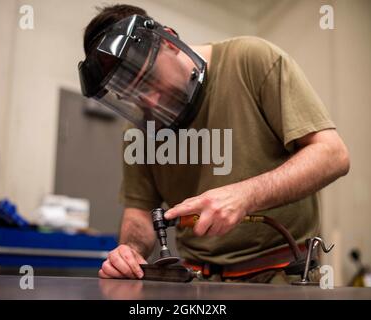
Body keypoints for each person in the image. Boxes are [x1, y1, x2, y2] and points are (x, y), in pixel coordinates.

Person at [78, 4, 350, 283]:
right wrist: (129, 252)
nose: (149, 102)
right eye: (132, 95)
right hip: (196, 282)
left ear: (169, 41)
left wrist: (245, 196)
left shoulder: (251, 60)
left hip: (284, 274)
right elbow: (140, 215)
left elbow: (332, 155)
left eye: (149, 80)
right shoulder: (142, 127)